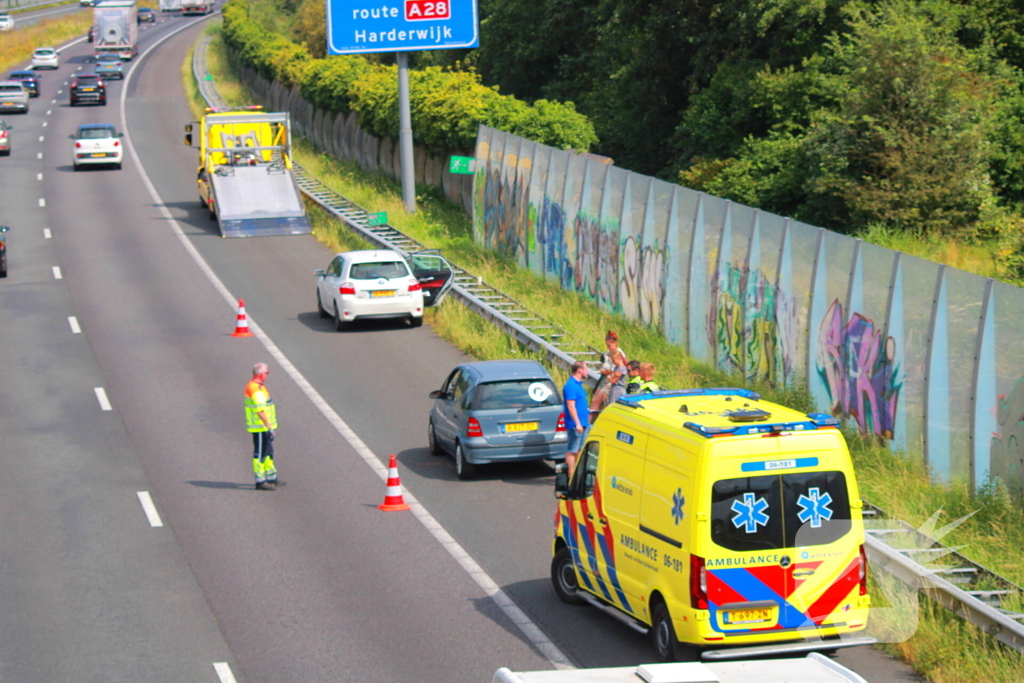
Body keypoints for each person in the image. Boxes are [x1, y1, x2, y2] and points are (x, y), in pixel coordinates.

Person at [244, 362, 279, 490]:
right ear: (261, 374)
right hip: (259, 427)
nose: (267, 375)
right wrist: (269, 427)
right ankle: (260, 481)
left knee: (268, 452)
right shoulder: (256, 390)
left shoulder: (257, 386)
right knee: (260, 454)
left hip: (262, 427)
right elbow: (260, 411)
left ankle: (271, 477)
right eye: (267, 373)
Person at [563, 361, 591, 476]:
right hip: (576, 424)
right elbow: (571, 406)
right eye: (586, 369)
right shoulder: (570, 386)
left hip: (584, 423)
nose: (587, 371)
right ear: (580, 370)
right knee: (572, 450)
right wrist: (577, 423)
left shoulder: (579, 385)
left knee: (580, 449)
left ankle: (578, 474)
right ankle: (571, 474)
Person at [591, 330, 628, 411]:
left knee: (598, 401)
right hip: (604, 379)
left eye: (609, 345)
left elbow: (620, 369)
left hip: (611, 381)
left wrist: (606, 372)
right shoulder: (607, 353)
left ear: (615, 343)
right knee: (594, 400)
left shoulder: (618, 354)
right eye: (607, 345)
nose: (608, 347)